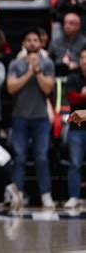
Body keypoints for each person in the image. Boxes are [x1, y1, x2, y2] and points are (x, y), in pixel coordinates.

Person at [7, 28, 56, 209]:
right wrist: (28, 72)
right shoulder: (15, 64)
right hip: (20, 117)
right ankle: (17, 194)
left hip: (40, 118)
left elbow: (48, 89)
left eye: (35, 40)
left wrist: (37, 71)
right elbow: (10, 88)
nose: (32, 43)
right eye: (29, 40)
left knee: (42, 157)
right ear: (24, 43)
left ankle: (46, 195)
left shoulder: (48, 63)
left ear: (40, 43)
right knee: (19, 157)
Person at [64, 46, 86, 209]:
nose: (85, 61)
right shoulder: (73, 78)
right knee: (75, 163)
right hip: (76, 128)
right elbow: (72, 98)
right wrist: (83, 95)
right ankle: (74, 196)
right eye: (83, 58)